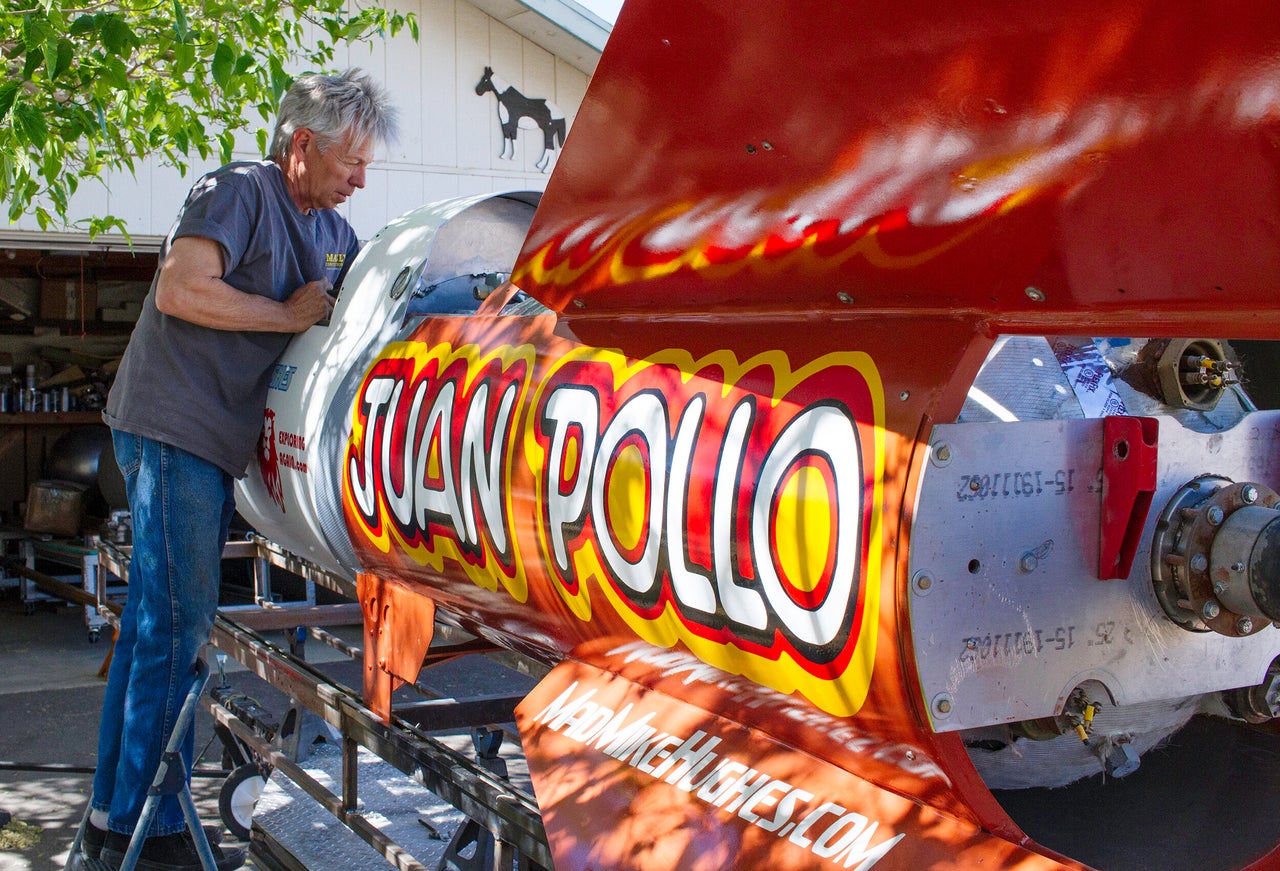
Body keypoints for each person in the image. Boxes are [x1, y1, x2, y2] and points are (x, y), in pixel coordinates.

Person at [84, 69, 399, 871]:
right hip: (170, 428)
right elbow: (183, 289)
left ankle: (112, 815)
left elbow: (373, 309)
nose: (361, 180)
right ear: (302, 146)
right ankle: (141, 831)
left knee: (158, 624)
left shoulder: (331, 228)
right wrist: (288, 314)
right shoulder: (238, 190)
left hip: (211, 440)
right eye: (350, 163)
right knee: (175, 625)